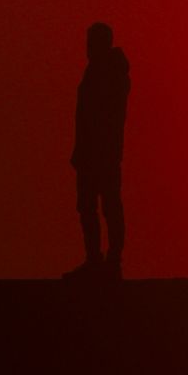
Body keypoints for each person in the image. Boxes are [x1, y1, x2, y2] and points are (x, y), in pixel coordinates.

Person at [64, 22, 131, 281]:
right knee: (88, 206)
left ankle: (111, 260)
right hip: (90, 153)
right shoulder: (95, 72)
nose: (87, 48)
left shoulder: (111, 73)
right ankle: (95, 259)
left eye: (91, 43)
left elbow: (103, 117)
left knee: (109, 204)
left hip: (104, 152)